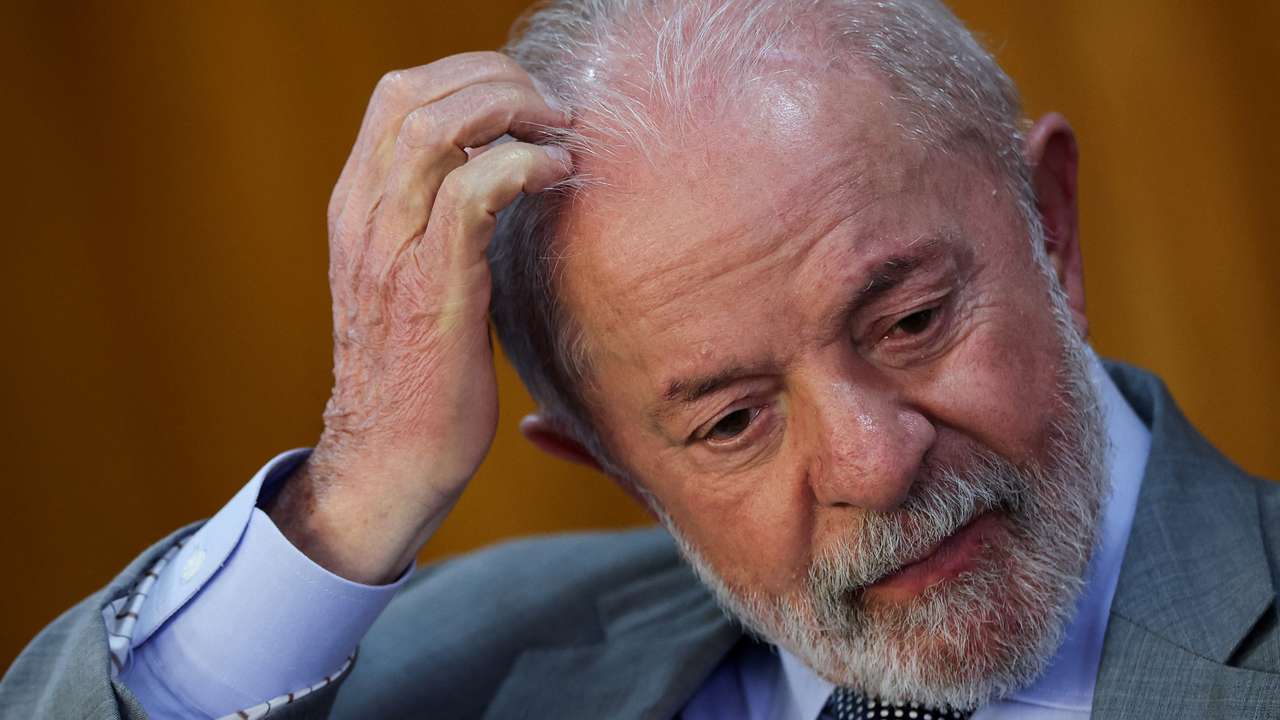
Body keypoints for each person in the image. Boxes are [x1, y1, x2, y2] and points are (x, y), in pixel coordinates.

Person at [4, 0, 1278, 717]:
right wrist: (353, 493)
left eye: (907, 323)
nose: (872, 464)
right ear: (612, 464)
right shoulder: (453, 668)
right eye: (730, 422)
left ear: (1047, 226)